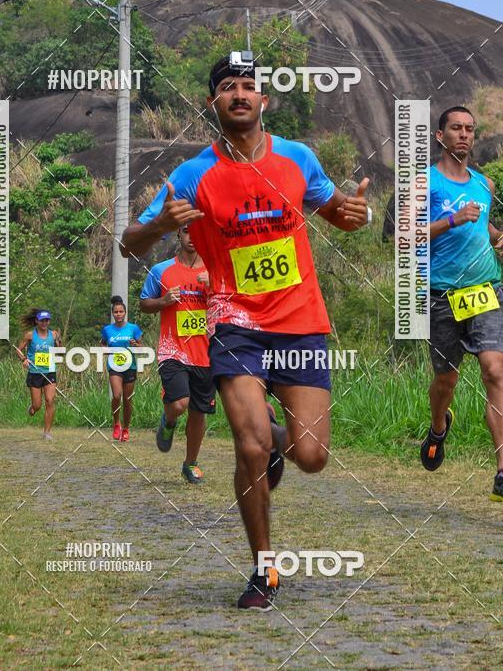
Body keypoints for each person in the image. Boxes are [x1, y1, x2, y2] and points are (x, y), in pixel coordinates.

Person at [121, 51, 370, 609]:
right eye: (228, 86)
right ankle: (263, 569)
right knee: (249, 445)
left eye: (248, 85)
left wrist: (358, 215)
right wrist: (160, 223)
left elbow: (338, 212)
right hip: (235, 324)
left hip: (300, 323)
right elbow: (128, 244)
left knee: (311, 455)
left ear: (264, 99)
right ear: (212, 101)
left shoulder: (297, 158)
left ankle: (283, 442)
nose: (239, 93)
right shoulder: (193, 175)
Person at [422, 106, 503, 501]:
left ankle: (502, 470)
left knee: (495, 371)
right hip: (443, 296)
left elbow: (484, 227)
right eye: (456, 128)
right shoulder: (426, 183)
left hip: (486, 289)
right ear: (441, 136)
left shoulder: (484, 184)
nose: (464, 135)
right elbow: (407, 236)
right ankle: (439, 427)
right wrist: (452, 220)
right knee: (446, 380)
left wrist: (499, 238)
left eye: (470, 129)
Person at [140, 224, 215, 483]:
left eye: (198, 231)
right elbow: (144, 303)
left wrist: (215, 286)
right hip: (172, 349)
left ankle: (190, 463)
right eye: (186, 231)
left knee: (198, 411)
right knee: (180, 403)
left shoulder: (216, 270)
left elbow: (236, 298)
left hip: (206, 353)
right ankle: (169, 420)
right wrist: (163, 302)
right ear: (179, 235)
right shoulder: (161, 271)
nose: (192, 237)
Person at [100, 296, 143, 442]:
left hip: (130, 366)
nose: (118, 314)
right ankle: (116, 423)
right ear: (113, 313)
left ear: (125, 313)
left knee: (127, 399)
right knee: (117, 395)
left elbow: (141, 347)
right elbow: (102, 344)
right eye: (116, 312)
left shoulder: (133, 328)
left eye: (121, 311)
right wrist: (105, 350)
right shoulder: (107, 330)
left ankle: (126, 428)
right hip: (114, 366)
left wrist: (135, 345)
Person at [16, 309, 62, 441]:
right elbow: (18, 350)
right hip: (35, 372)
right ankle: (32, 408)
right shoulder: (30, 335)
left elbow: (60, 351)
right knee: (37, 405)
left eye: (46, 320)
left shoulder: (53, 334)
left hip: (50, 371)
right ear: (37, 321)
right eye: (42, 320)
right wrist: (24, 359)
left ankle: (47, 433)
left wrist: (59, 342)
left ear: (49, 321)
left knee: (50, 400)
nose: (44, 323)